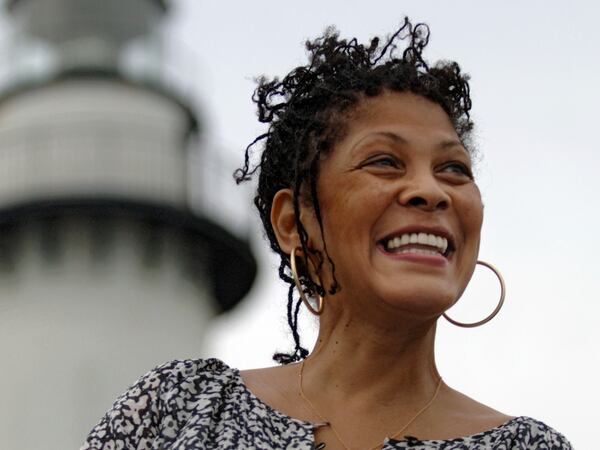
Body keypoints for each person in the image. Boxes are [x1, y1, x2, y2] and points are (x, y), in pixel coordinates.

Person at [82, 18, 572, 450]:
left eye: (453, 169)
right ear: (295, 223)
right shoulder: (179, 411)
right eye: (384, 161)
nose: (431, 190)